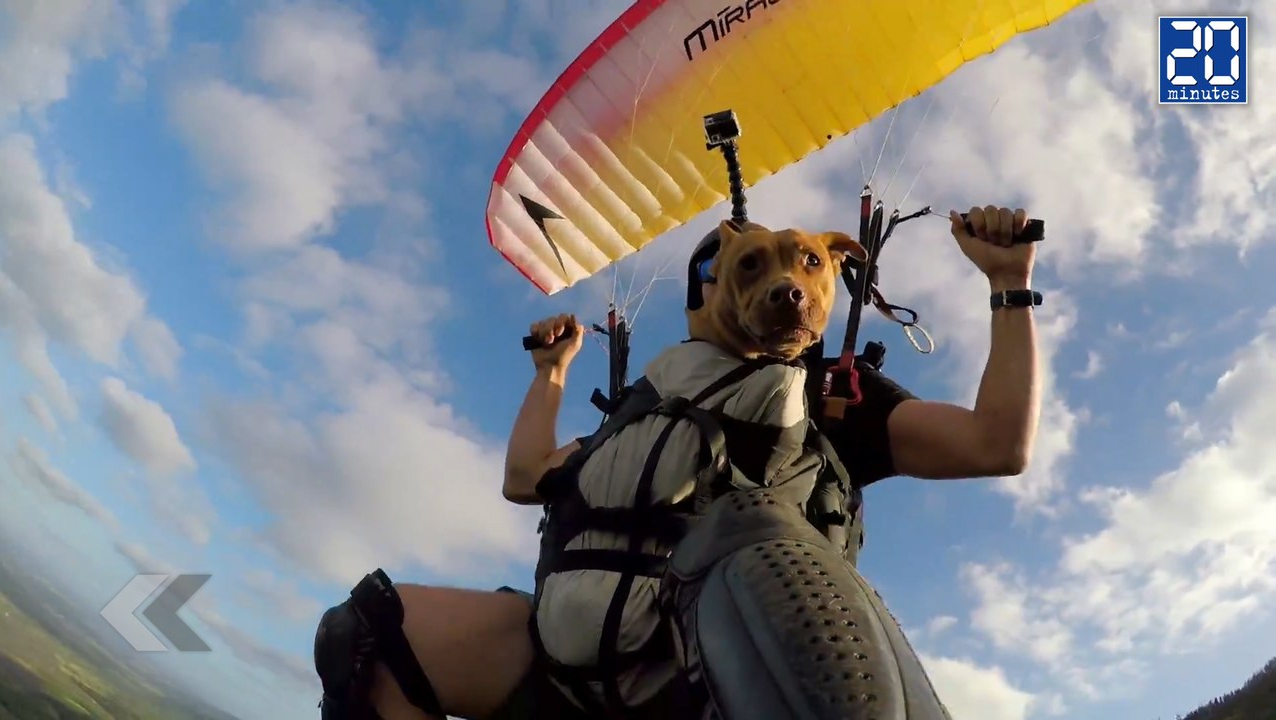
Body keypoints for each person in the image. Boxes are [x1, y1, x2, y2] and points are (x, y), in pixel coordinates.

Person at [314, 206, 1042, 720]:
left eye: (807, 263)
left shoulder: (834, 399)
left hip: (712, 685)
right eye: (749, 266)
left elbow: (996, 445)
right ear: (709, 292)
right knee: (367, 636)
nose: (782, 282)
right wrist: (552, 374)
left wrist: (1008, 286)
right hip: (571, 664)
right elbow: (525, 477)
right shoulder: (649, 409)